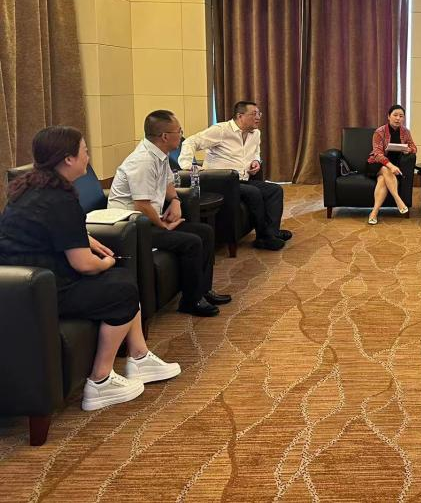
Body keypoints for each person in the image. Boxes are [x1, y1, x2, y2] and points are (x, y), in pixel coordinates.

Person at [0, 126, 181, 410]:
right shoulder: (60, 198)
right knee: (122, 289)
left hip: (23, 285)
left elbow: (47, 230)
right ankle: (100, 381)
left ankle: (139, 356)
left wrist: (84, 238)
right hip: (42, 290)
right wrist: (106, 262)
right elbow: (83, 264)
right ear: (68, 158)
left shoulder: (31, 188)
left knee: (122, 279)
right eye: (84, 151)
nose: (88, 157)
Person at [109, 110, 230, 317]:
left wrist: (175, 200)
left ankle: (203, 290)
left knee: (205, 231)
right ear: (165, 136)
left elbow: (167, 183)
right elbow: (141, 205)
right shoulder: (143, 160)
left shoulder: (160, 154)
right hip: (132, 226)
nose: (181, 135)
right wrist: (163, 226)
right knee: (191, 242)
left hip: (149, 219)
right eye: (179, 131)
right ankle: (190, 301)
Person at [180, 101, 291, 251]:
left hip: (241, 180)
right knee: (254, 192)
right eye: (254, 114)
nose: (258, 117)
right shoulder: (221, 130)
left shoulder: (255, 133)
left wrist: (256, 161)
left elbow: (255, 151)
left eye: (259, 113)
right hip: (220, 182)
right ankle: (263, 238)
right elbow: (190, 142)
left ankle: (272, 232)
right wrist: (187, 165)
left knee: (275, 190)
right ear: (240, 116)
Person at [366, 104, 417, 225]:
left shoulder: (405, 132)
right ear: (389, 116)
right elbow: (377, 154)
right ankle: (398, 200)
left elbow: (414, 148)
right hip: (376, 164)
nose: (398, 118)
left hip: (394, 167)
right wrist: (391, 166)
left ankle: (374, 212)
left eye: (401, 116)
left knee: (382, 180)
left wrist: (408, 150)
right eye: (395, 115)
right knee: (385, 169)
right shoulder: (379, 132)